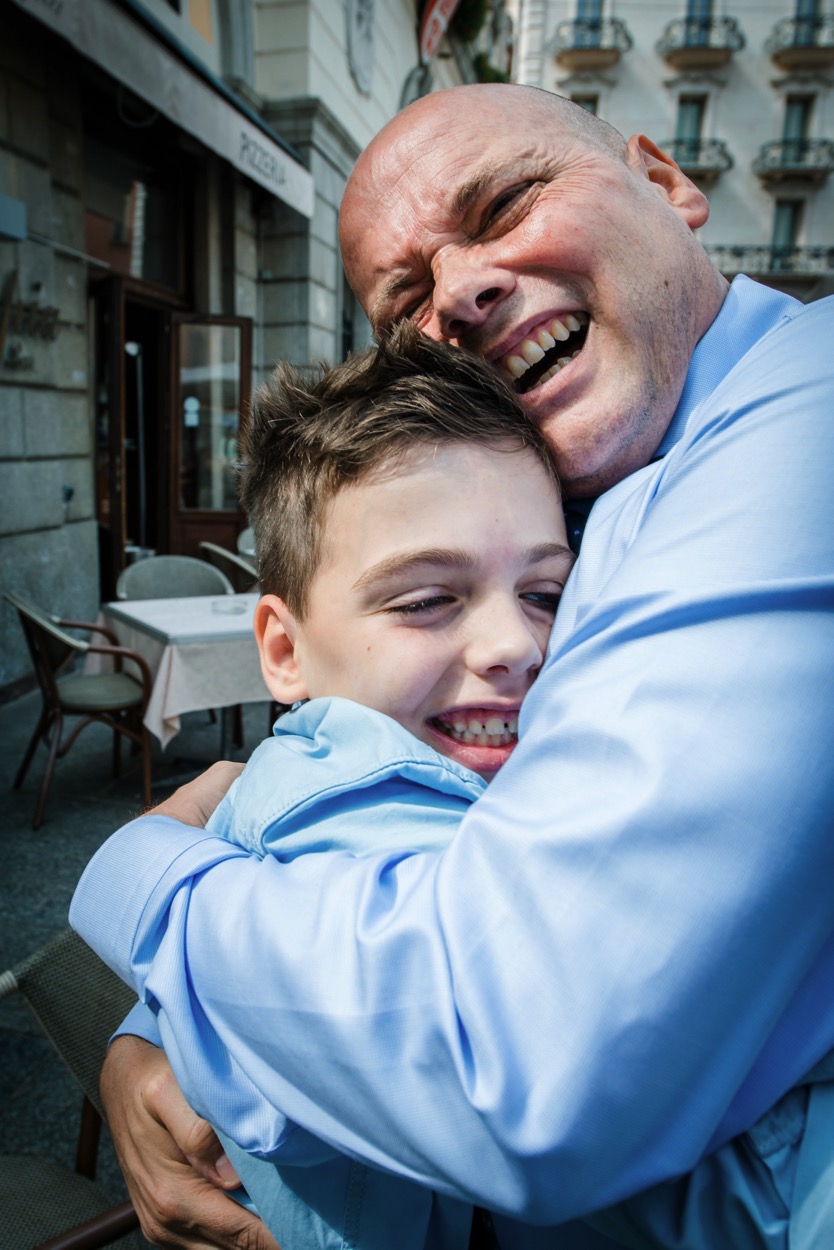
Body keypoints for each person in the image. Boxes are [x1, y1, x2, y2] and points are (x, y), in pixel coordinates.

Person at [71, 83, 834, 1250]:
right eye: (405, 296)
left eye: (509, 201)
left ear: (668, 183)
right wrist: (158, 1024)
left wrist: (144, 879)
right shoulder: (605, 465)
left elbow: (517, 1057)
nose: (465, 289)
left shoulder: (795, 440)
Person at [122, 325, 575, 1249]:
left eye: (547, 593)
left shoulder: (324, 767)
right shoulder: (368, 821)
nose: (515, 646)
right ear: (285, 650)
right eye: (426, 599)